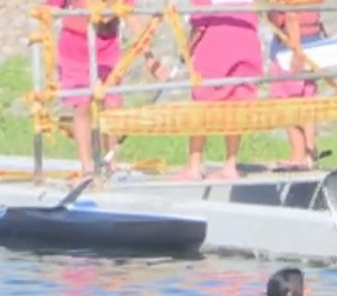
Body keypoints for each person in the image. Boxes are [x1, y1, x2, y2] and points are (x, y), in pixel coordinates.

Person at [48, 1, 167, 176]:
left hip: (107, 47)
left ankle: (110, 158)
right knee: (82, 105)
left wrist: (149, 58)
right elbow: (50, 11)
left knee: (112, 105)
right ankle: (86, 164)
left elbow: (132, 18)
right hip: (75, 47)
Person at [177, 0, 264, 181]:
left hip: (217, 45)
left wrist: (186, 50)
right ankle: (230, 165)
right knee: (236, 104)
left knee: (201, 105)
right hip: (246, 43)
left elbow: (200, 23)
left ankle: (194, 166)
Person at [266, 2, 327, 171]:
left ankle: (298, 155)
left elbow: (291, 14)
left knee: (288, 99)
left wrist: (296, 49)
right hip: (311, 37)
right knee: (307, 97)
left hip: (292, 41)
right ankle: (309, 150)